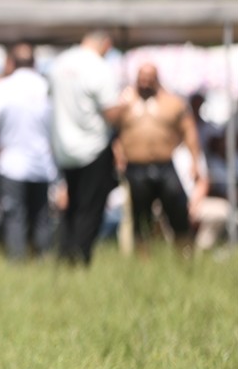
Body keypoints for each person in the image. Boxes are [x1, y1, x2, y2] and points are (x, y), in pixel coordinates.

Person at [0, 42, 58, 260]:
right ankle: (42, 259)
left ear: (10, 63)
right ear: (35, 63)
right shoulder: (47, 87)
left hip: (12, 164)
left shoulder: (4, 87)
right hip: (44, 164)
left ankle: (17, 261)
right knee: (41, 216)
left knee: (14, 216)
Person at [49, 30, 124, 264]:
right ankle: (80, 258)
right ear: (106, 44)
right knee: (89, 207)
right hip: (93, 147)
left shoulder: (58, 64)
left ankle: (65, 253)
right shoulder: (99, 68)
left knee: (69, 204)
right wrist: (127, 107)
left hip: (62, 147)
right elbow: (111, 112)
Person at [113, 63, 202, 256]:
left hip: (165, 165)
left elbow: (189, 132)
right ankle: (142, 260)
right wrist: (118, 155)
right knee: (140, 217)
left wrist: (195, 161)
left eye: (149, 77)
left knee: (178, 212)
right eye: (141, 77)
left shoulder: (172, 103)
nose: (145, 81)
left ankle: (185, 256)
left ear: (156, 79)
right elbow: (114, 135)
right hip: (136, 167)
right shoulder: (124, 103)